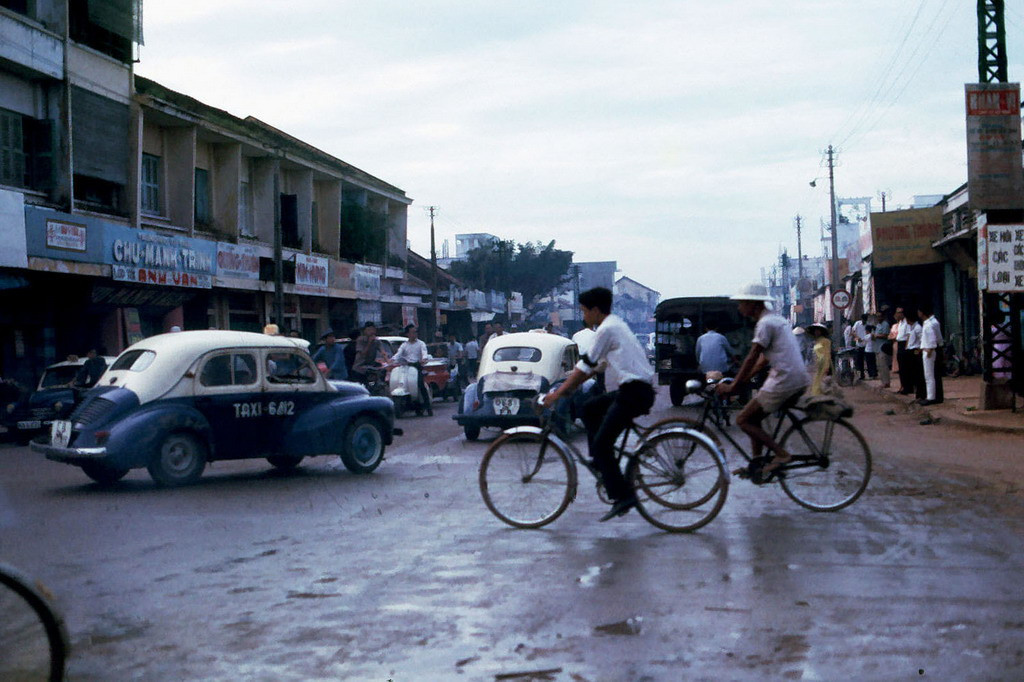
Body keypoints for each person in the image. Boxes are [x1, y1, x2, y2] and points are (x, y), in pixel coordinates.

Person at [541, 287, 656, 522]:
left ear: (595, 310)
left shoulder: (606, 329)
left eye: (584, 311)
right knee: (590, 408)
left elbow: (585, 364)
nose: (584, 316)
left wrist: (558, 393)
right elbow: (596, 366)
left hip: (633, 393)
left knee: (603, 444)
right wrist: (572, 385)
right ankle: (600, 462)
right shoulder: (615, 324)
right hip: (637, 390)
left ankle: (622, 496)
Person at [716, 284, 810, 479]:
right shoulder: (777, 320)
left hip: (785, 379)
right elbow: (761, 362)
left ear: (754, 304)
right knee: (754, 418)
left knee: (742, 419)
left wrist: (733, 386)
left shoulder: (765, 324)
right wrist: (741, 381)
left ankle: (782, 454)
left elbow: (752, 357)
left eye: (742, 303)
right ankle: (757, 464)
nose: (740, 307)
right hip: (796, 377)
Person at [388, 325, 433, 416]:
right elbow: (398, 354)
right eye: (412, 332)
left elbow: (424, 353)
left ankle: (428, 408)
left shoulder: (421, 343)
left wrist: (424, 359)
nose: (415, 334)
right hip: (406, 367)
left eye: (415, 332)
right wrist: (392, 360)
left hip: (417, 367)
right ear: (407, 334)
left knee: (420, 385)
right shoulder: (404, 345)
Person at [919, 303, 944, 405]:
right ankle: (933, 396)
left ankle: (931, 397)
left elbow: (932, 340)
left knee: (929, 375)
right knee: (932, 375)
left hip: (929, 350)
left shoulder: (929, 324)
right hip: (931, 349)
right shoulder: (931, 322)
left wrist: (929, 351)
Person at [807, 323, 832, 396]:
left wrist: (827, 366)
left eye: (818, 331)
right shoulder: (816, 341)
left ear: (822, 332)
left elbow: (827, 354)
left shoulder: (826, 341)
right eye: (815, 331)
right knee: (817, 381)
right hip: (818, 364)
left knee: (822, 382)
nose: (816, 332)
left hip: (824, 363)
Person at [894, 307, 913, 394]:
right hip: (899, 344)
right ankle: (903, 386)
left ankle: (908, 387)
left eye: (899, 313)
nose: (897, 314)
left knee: (906, 368)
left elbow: (909, 335)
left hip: (904, 344)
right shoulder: (900, 323)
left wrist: (906, 346)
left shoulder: (906, 323)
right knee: (901, 368)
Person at [906, 309, 925, 401]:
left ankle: (921, 394)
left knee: (918, 374)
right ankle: (917, 394)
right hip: (910, 351)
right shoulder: (912, 327)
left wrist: (919, 350)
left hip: (915, 351)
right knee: (913, 374)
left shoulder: (917, 328)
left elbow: (922, 340)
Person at [873, 308, 892, 388]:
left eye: (879, 316)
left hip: (883, 347)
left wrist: (876, 336)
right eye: (877, 316)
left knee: (884, 366)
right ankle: (883, 382)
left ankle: (886, 382)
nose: (878, 318)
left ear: (883, 317)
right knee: (880, 366)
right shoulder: (878, 325)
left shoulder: (885, 324)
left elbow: (886, 335)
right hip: (877, 347)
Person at [851, 314, 868, 380]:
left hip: (866, 344)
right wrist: (857, 337)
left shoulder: (868, 324)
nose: (864, 321)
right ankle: (861, 374)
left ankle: (868, 373)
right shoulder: (857, 323)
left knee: (867, 360)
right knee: (859, 360)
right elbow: (852, 332)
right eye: (863, 320)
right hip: (859, 344)